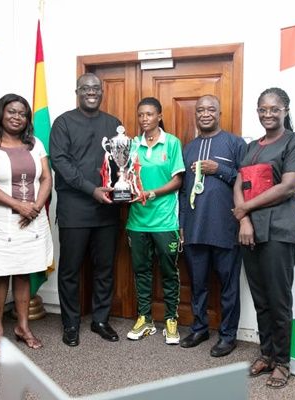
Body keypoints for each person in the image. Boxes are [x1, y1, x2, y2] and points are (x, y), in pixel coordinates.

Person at [232, 87, 295, 389]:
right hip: (251, 230)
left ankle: (282, 362)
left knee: (278, 299)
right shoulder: (253, 146)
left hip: (279, 230)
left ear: (285, 110)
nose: (268, 114)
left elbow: (288, 187)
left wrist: (245, 208)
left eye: (274, 109)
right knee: (261, 298)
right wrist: (244, 219)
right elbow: (240, 182)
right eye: (263, 109)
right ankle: (266, 354)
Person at [0, 93, 54, 356]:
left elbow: (46, 178)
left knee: (23, 272)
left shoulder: (35, 143)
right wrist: (19, 206)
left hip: (32, 219)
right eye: (12, 112)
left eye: (22, 113)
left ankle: (22, 327)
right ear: (1, 113)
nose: (17, 117)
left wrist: (36, 207)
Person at [49, 73, 122, 346]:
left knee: (105, 268)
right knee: (70, 270)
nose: (91, 92)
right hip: (75, 209)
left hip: (107, 209)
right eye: (86, 88)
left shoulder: (114, 123)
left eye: (96, 88)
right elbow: (61, 163)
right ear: (77, 92)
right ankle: (70, 323)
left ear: (102, 92)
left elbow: (121, 163)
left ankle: (100, 320)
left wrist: (124, 184)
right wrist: (92, 189)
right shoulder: (63, 123)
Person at [179, 94, 246, 357]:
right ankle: (199, 328)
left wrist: (218, 169)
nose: (205, 114)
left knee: (229, 286)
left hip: (225, 228)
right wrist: (182, 224)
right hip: (194, 229)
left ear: (219, 113)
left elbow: (245, 181)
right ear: (195, 114)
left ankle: (228, 336)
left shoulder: (235, 143)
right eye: (200, 110)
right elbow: (183, 190)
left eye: (210, 109)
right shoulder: (188, 148)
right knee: (198, 284)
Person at [125, 97, 185, 344]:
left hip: (165, 221)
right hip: (137, 221)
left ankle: (171, 319)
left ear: (159, 116)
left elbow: (178, 180)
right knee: (141, 272)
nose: (144, 119)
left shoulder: (171, 143)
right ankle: (145, 319)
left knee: (169, 272)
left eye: (149, 114)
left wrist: (153, 193)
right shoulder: (131, 145)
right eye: (141, 114)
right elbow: (124, 175)